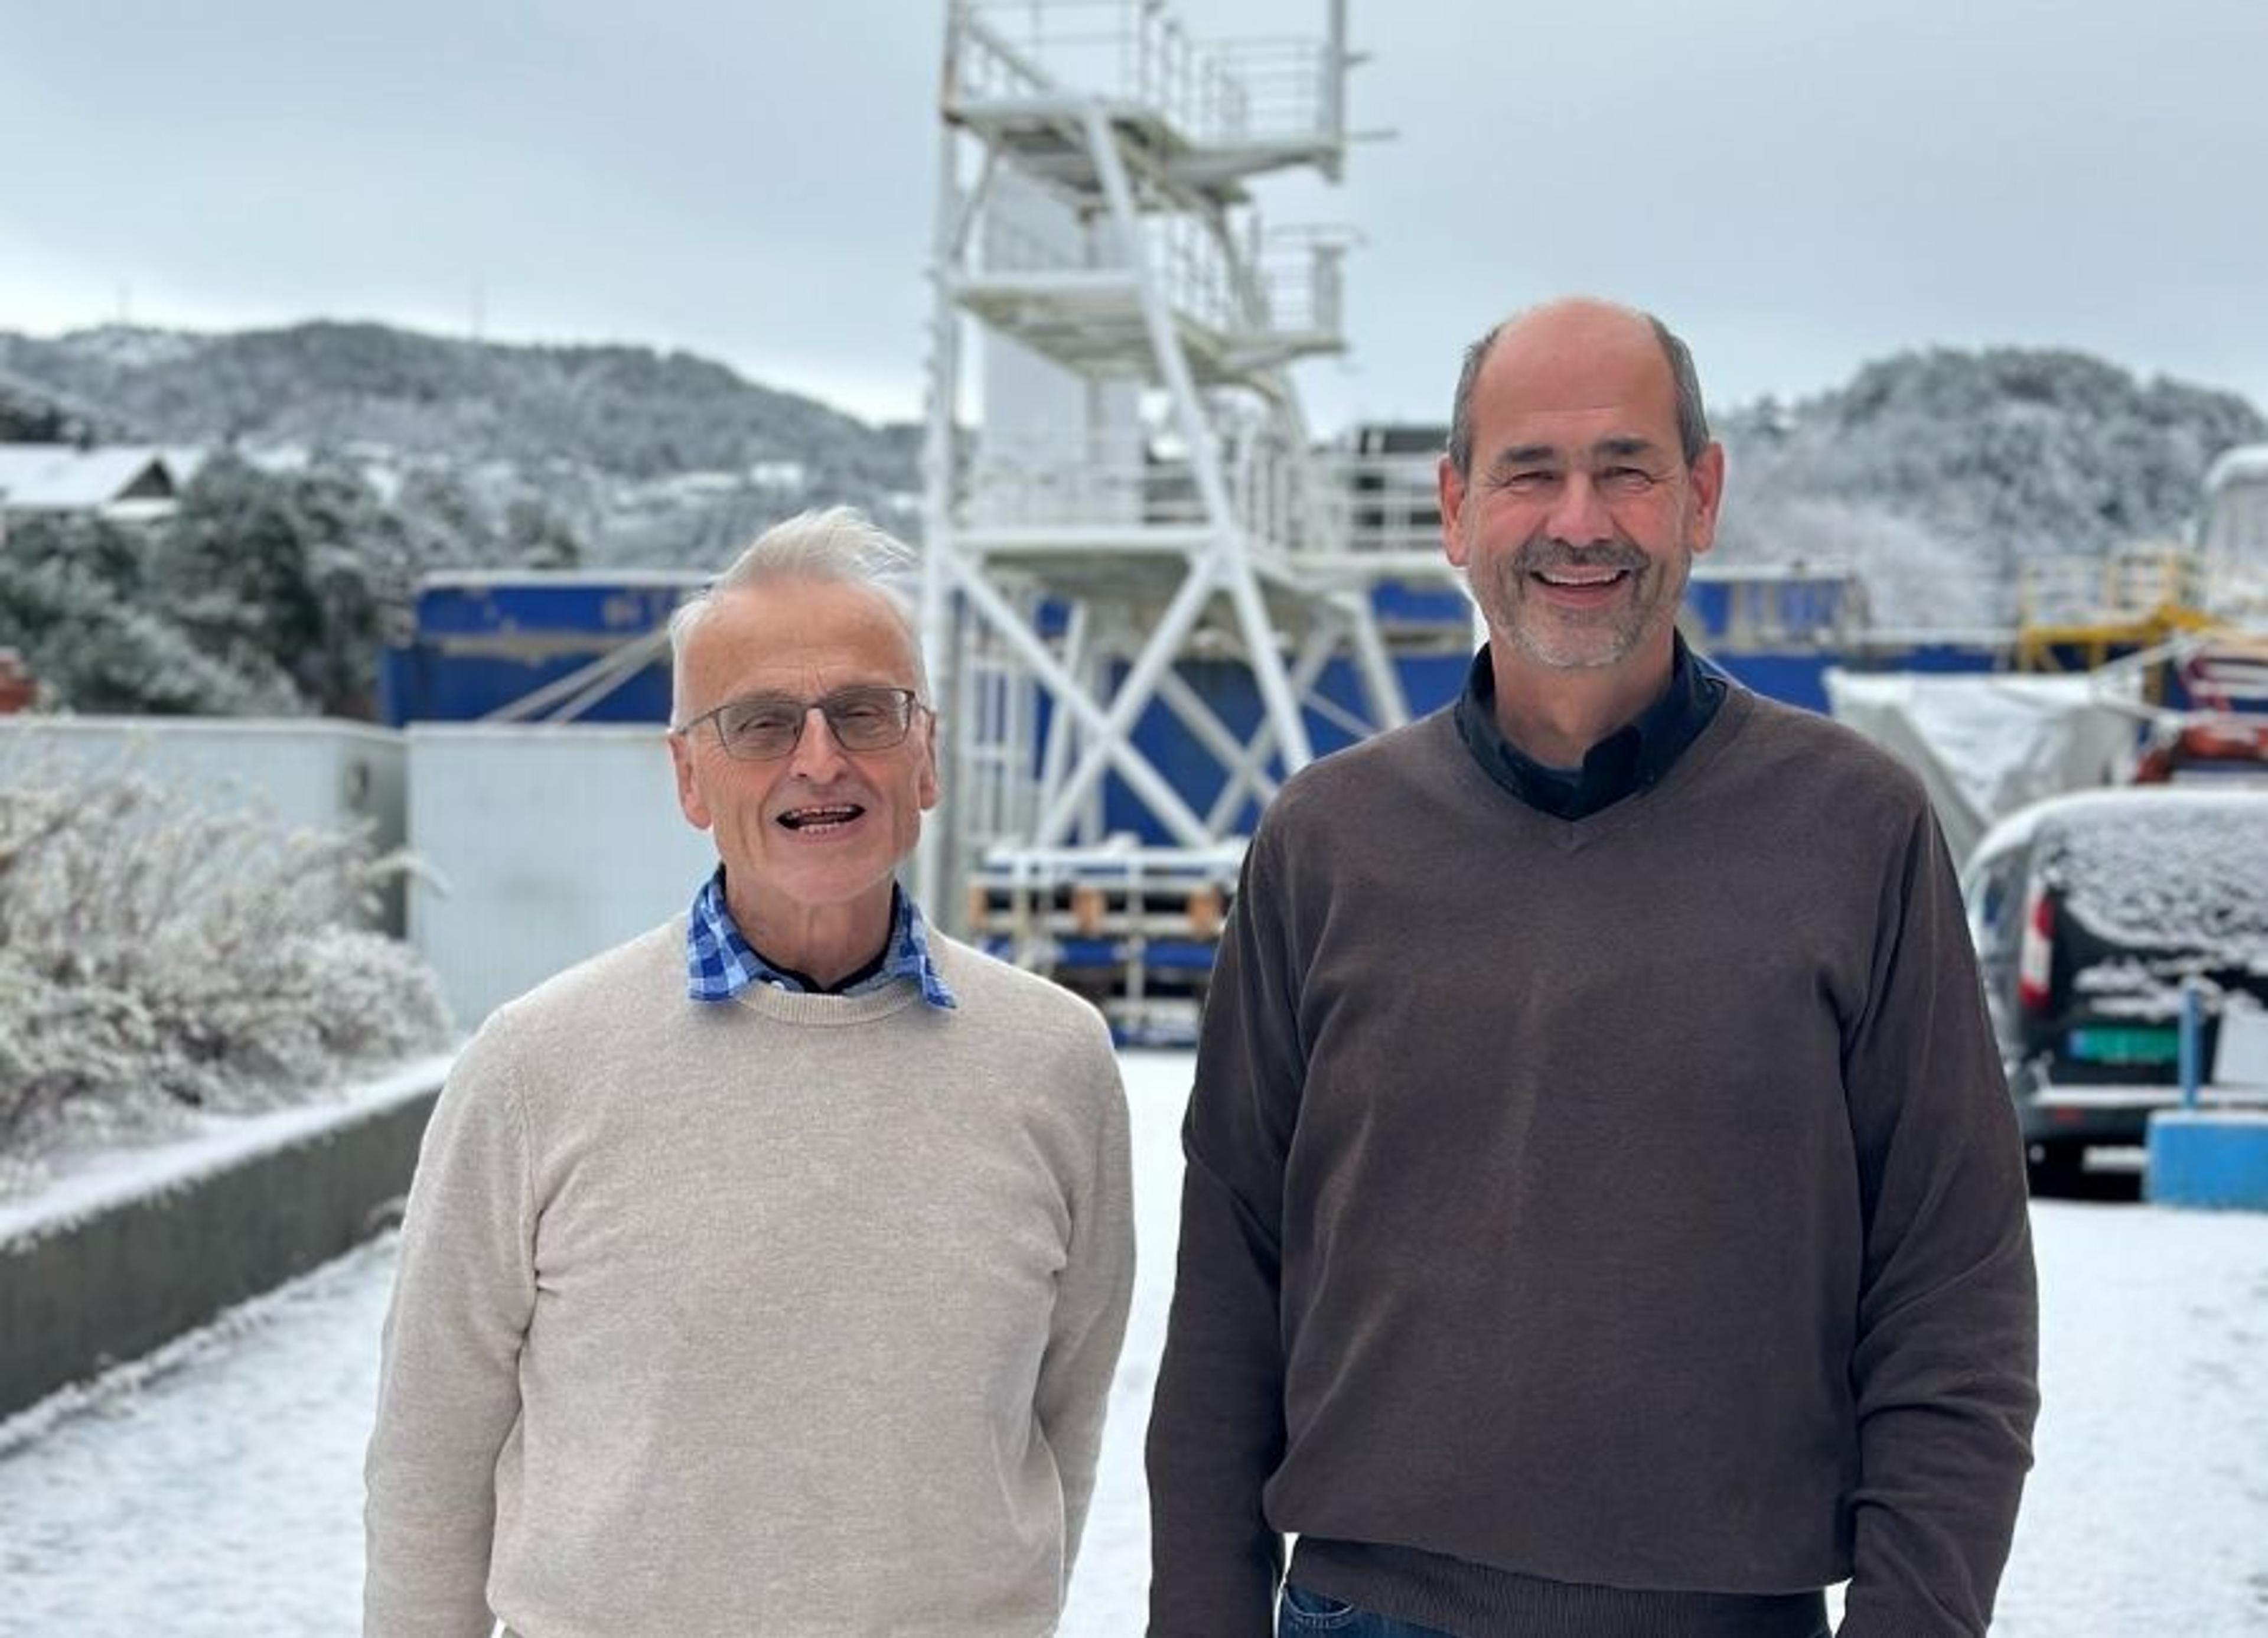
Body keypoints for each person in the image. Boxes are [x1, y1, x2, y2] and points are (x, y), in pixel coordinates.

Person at [1146, 298, 2039, 1638]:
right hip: (1360, 1611)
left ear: (1702, 496)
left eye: (1626, 467)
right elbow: (1231, 1277)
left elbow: (1953, 1286)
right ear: (1455, 510)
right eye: (1529, 472)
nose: (1580, 519)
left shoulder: (1857, 830)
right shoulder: (1325, 842)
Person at [365, 506, 1135, 1637]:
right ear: (689, 777)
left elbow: (1058, 1423)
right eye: (762, 723)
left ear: (924, 757)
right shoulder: (536, 1068)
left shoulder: (1057, 1063)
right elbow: (431, 1460)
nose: (819, 758)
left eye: (864, 713)